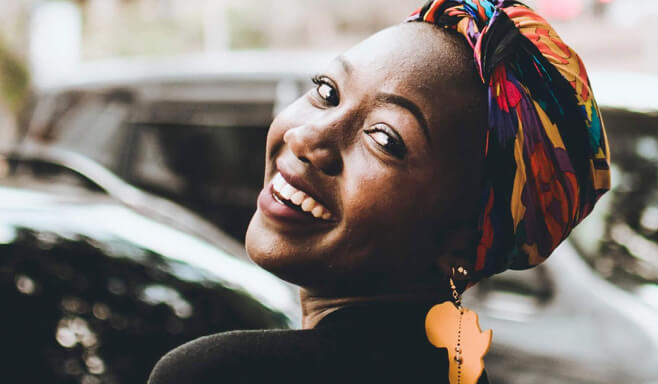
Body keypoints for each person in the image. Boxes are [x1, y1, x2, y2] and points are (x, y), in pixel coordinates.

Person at [147, 1, 610, 383]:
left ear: (464, 236)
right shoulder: (461, 373)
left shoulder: (221, 376)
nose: (306, 138)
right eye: (327, 92)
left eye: (385, 138)